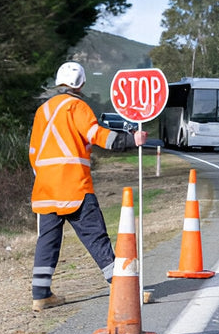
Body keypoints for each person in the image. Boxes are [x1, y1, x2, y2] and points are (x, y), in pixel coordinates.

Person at [28, 61, 146, 312]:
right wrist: (131, 139)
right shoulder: (76, 106)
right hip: (74, 187)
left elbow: (33, 152)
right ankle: (123, 288)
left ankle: (40, 295)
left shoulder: (43, 111)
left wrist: (44, 177)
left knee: (47, 241)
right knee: (96, 238)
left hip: (45, 189)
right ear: (81, 84)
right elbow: (97, 135)